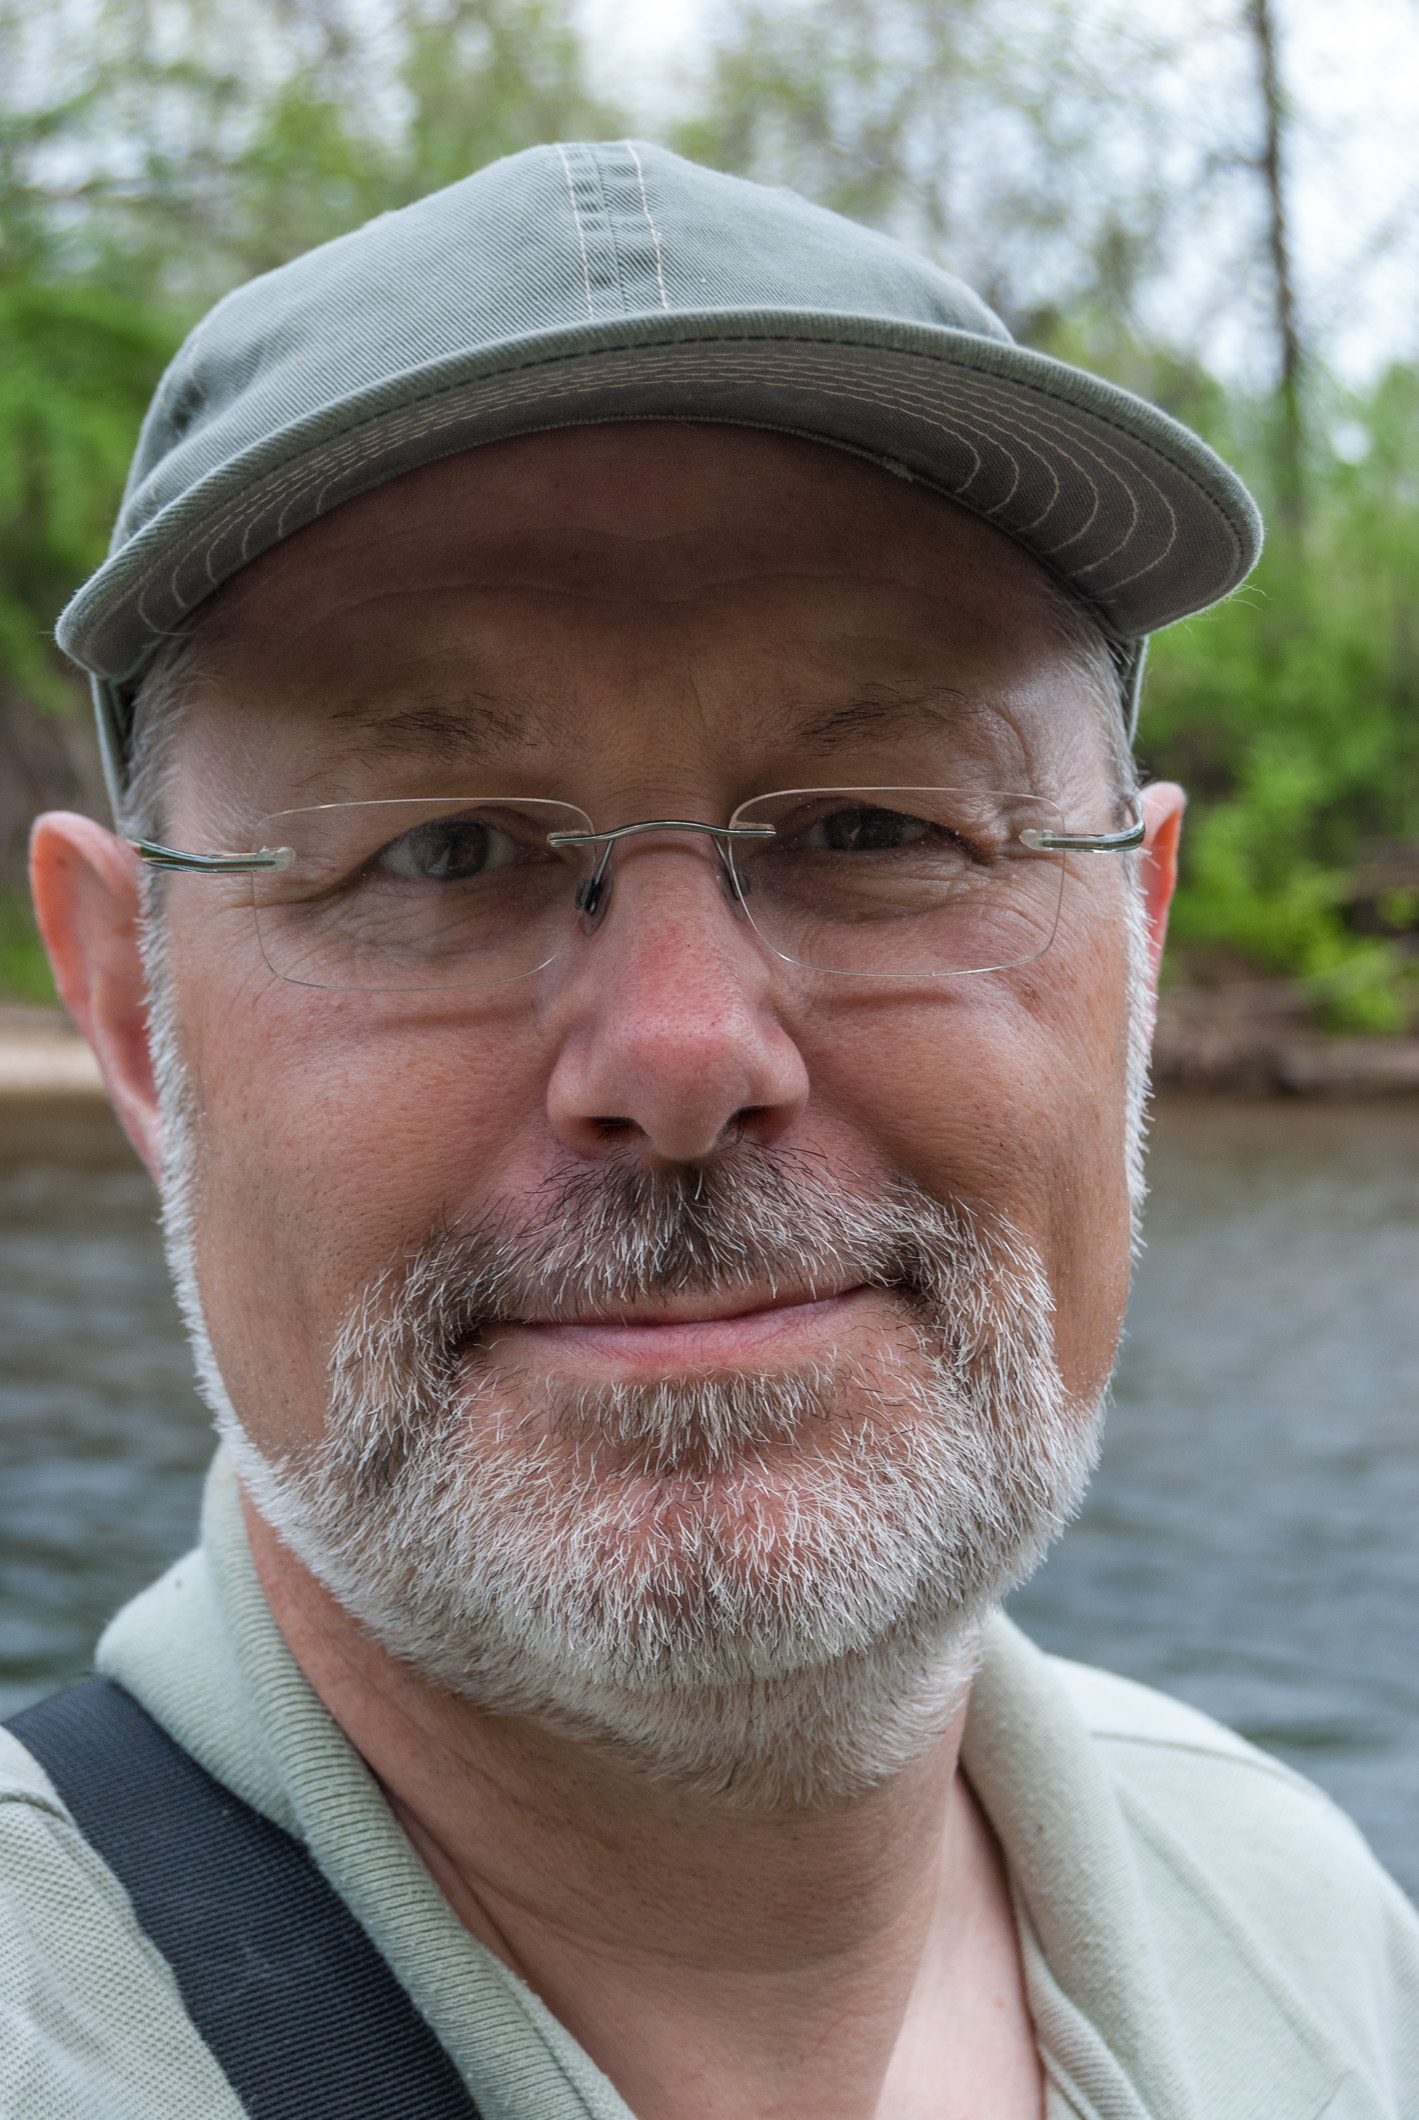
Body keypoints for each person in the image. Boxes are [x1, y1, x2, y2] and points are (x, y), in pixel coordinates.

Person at [5, 141, 1416, 2120]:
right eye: (443, 850)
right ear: (133, 1015)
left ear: (1137, 947)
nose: (680, 1053)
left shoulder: (1317, 1940)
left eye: (875, 828)